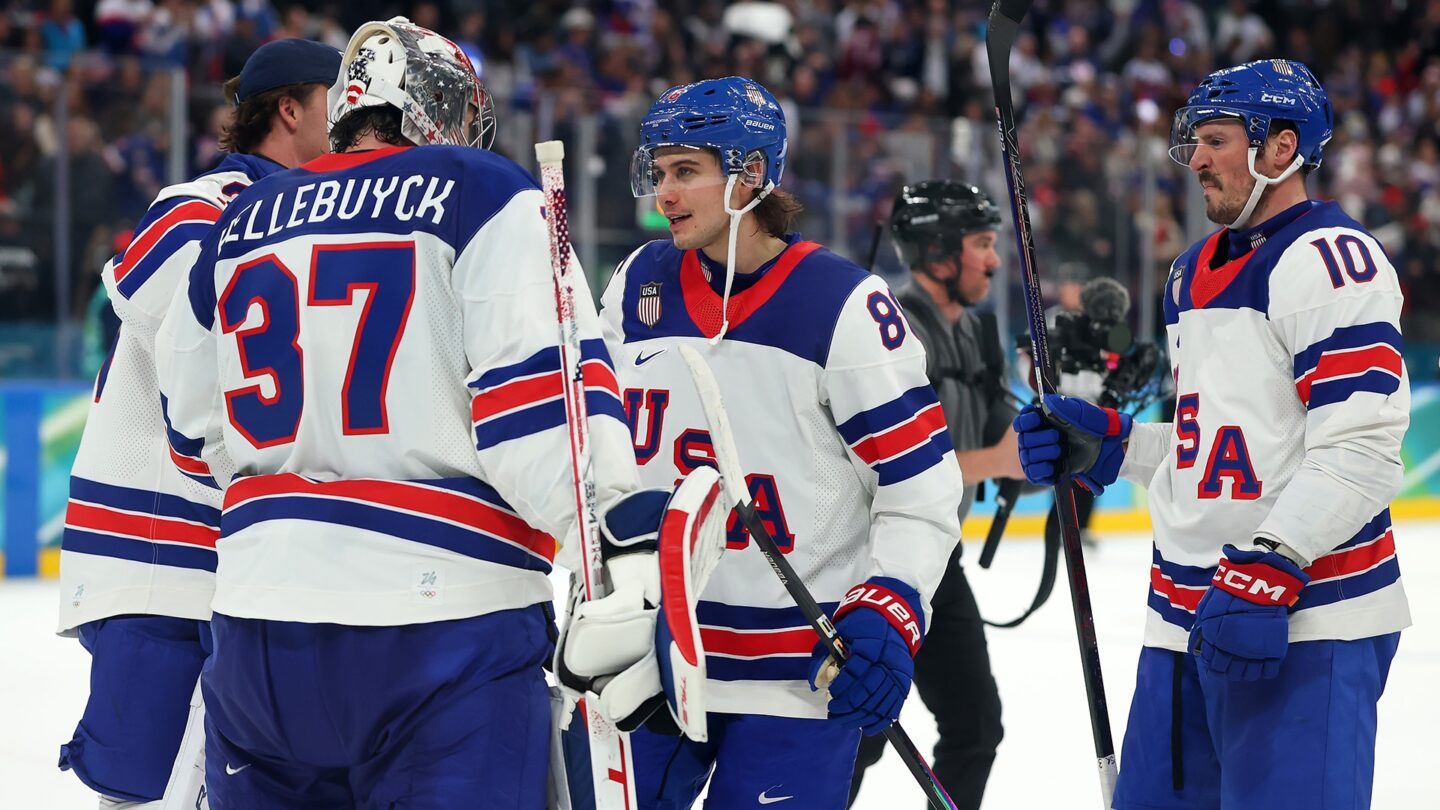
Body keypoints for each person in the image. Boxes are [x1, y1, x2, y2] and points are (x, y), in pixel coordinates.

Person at [153, 18, 715, 809]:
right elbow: (540, 424)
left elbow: (192, 429)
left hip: (256, 636)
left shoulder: (240, 221)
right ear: (441, 108)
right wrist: (615, 545)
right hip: (442, 636)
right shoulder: (483, 190)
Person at [1015, 59, 1410, 809]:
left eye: (1217, 139)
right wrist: (1118, 447)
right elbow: (1219, 448)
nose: (1194, 158)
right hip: (1182, 617)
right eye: (1194, 140)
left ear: (1280, 149)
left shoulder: (1333, 261)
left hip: (1306, 619)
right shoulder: (1189, 271)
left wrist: (1273, 560)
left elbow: (1360, 447)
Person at [597, 76, 964, 809]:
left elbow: (921, 485)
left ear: (752, 173)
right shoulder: (639, 282)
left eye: (686, 172)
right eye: (660, 173)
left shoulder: (845, 306)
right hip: (657, 661)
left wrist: (890, 605)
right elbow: (601, 445)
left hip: (795, 675)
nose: (664, 194)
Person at [55, 38, 340, 810]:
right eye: (337, 99)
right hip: (163, 554)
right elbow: (199, 359)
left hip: (253, 556)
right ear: (288, 110)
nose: (356, 116)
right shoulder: (197, 205)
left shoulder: (335, 218)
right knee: (147, 790)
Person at [847, 181, 1019, 809]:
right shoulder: (893, 331)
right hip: (872, 563)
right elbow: (886, 466)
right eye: (981, 244)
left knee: (975, 727)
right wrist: (1000, 459)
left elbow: (1005, 441)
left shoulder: (975, 332)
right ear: (940, 254)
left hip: (939, 564)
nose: (994, 260)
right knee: (856, 735)